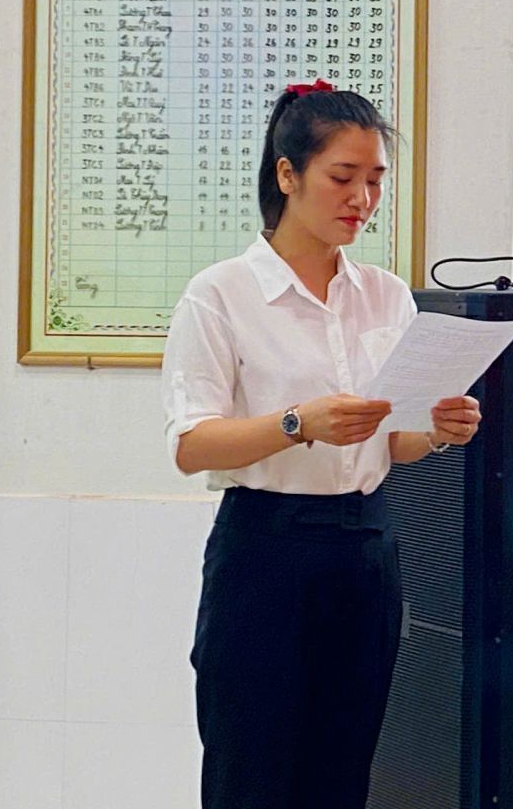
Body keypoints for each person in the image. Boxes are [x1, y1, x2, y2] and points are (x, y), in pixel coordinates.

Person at [162, 80, 480, 808]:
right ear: (287, 174)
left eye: (375, 181)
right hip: (264, 550)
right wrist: (297, 423)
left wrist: (437, 431)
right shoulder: (221, 295)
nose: (362, 199)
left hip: (366, 549)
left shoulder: (385, 295)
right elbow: (191, 444)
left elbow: (392, 442)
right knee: (250, 771)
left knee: (343, 773)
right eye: (343, 177)